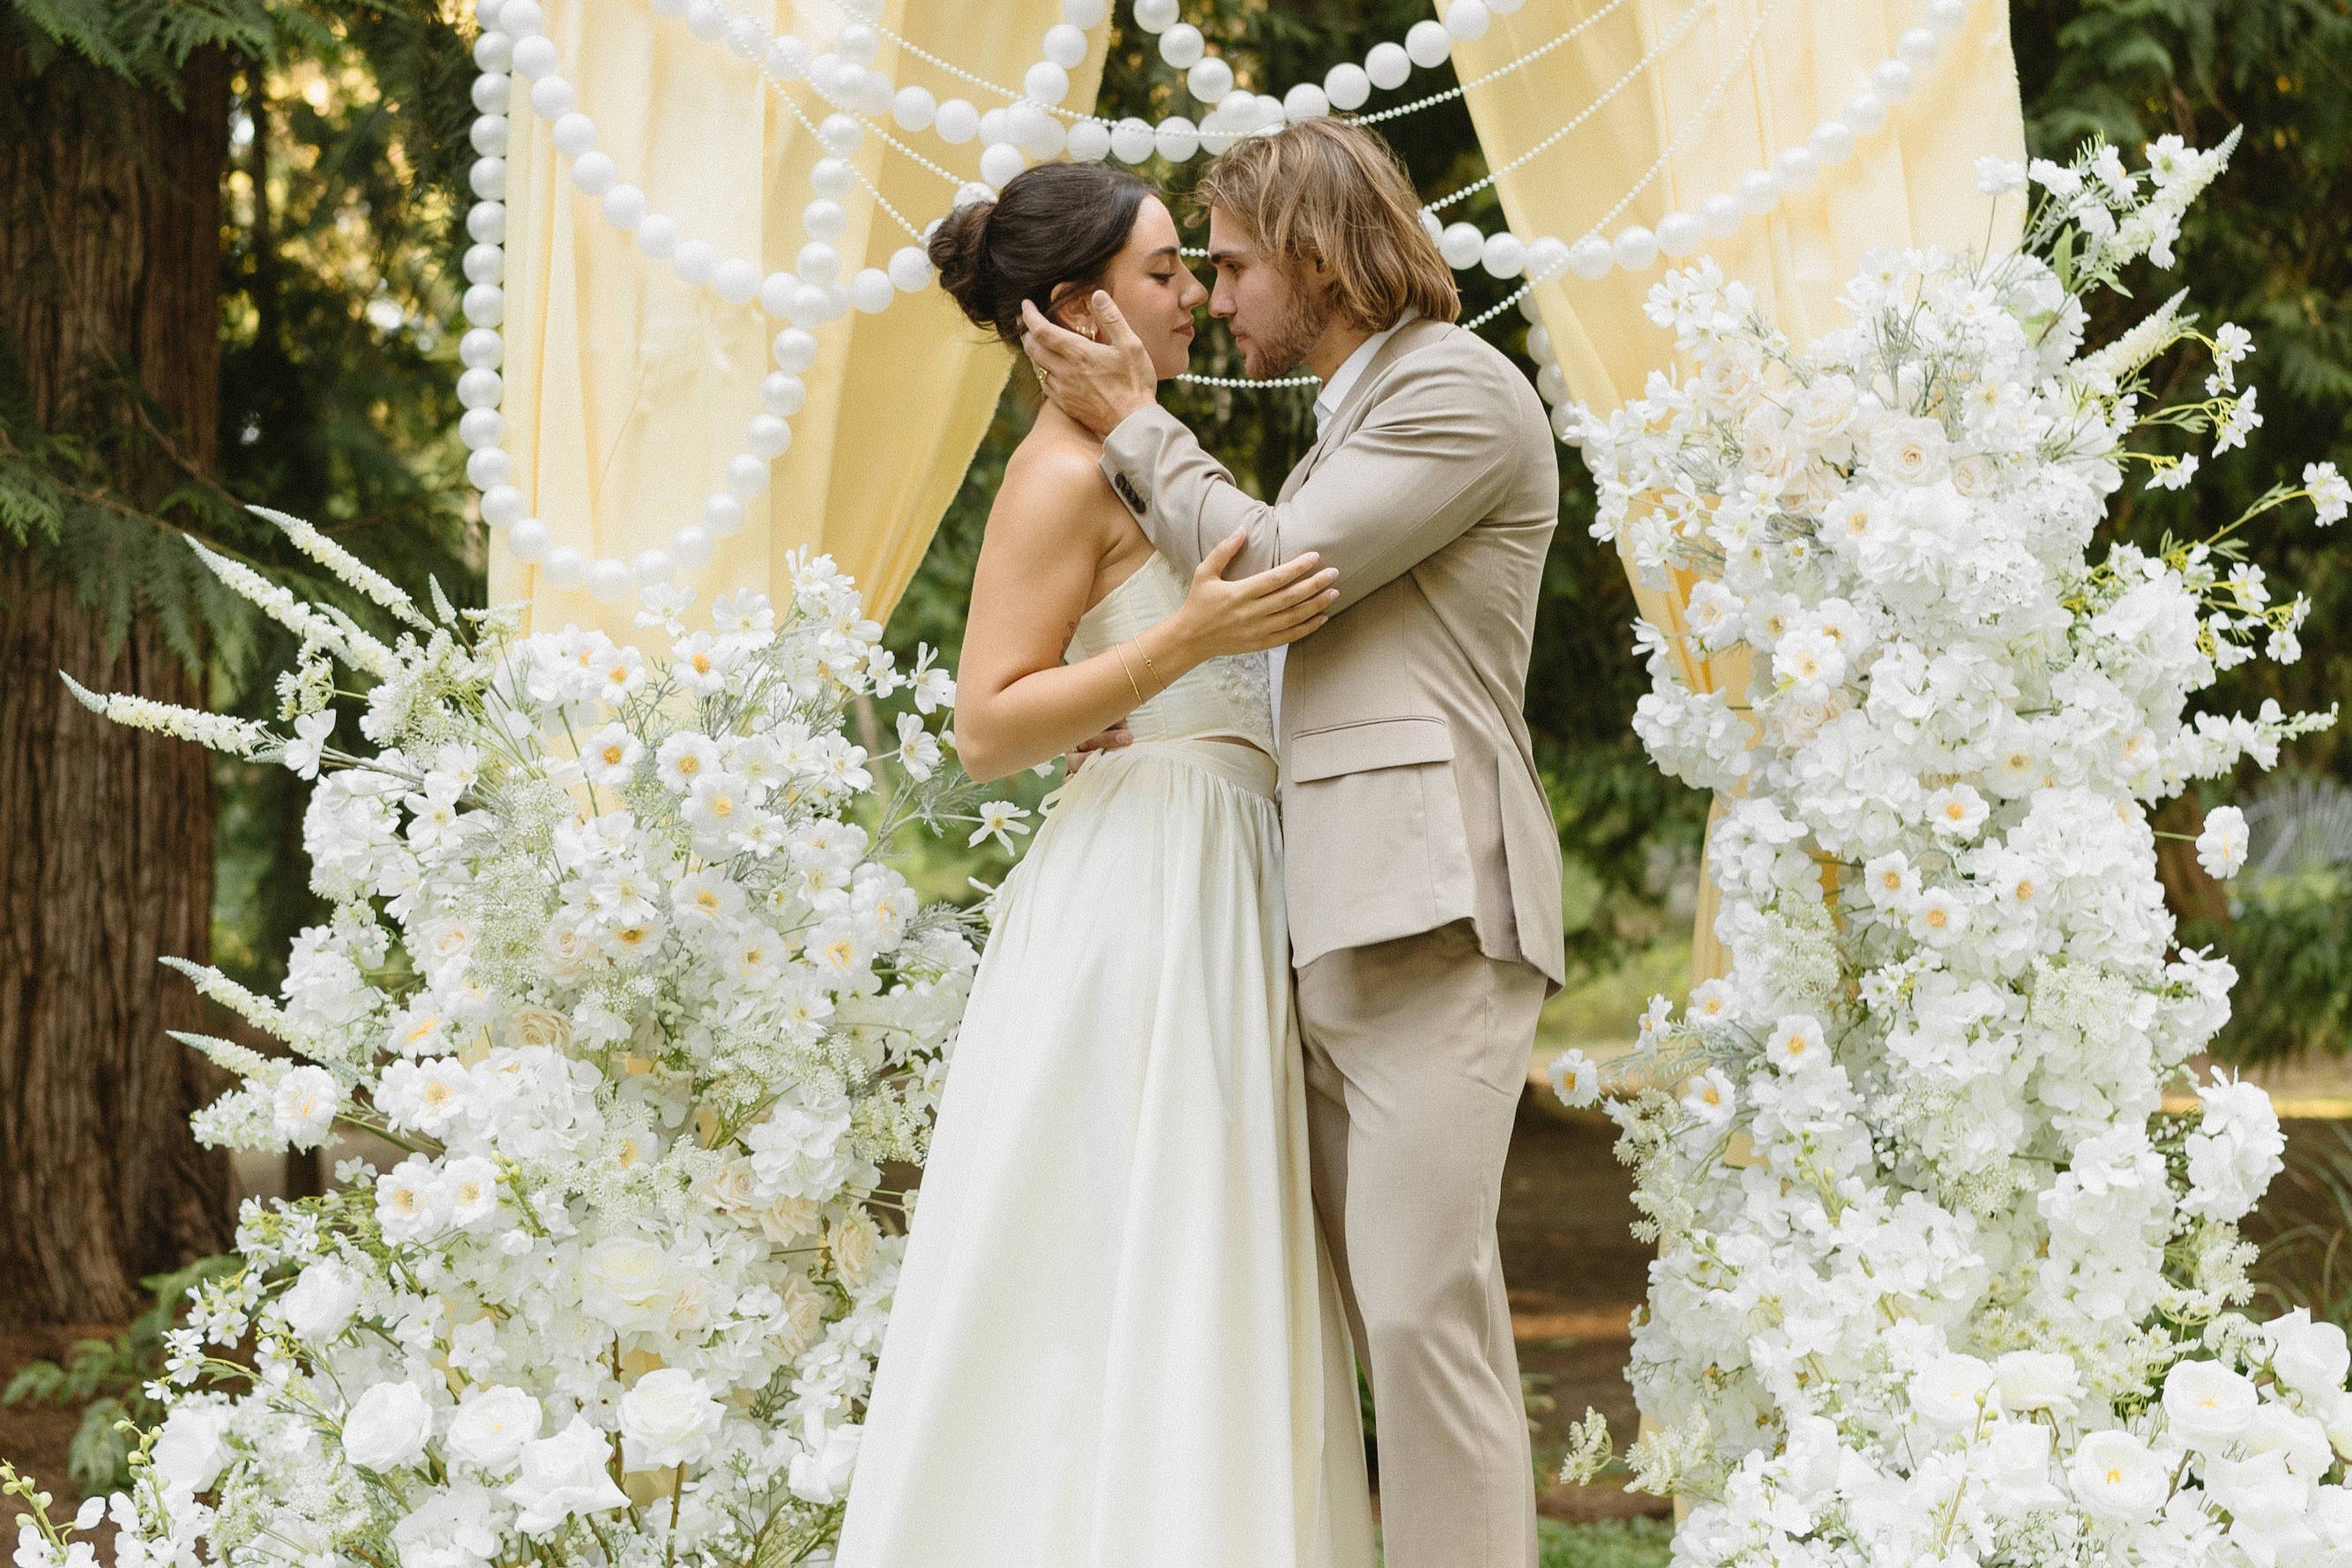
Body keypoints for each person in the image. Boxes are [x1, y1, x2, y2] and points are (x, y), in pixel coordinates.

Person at [1019, 118, 1566, 1568]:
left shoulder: (1455, 388)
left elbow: (1279, 576)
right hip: (1334, 913)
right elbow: (1299, 650)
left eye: (1240, 263)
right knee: (1375, 1312)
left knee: (1416, 1314)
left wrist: (1139, 423)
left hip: (1435, 905)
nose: (1217, 296)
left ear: (1319, 258)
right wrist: (1143, 685)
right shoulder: (1362, 407)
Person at [833, 161, 1378, 1568]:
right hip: (1149, 885)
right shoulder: (1058, 475)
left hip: (1229, 867)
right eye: (1161, 273)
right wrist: (1177, 648)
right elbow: (988, 721)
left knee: (1216, 1237)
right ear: (1080, 309)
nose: (1195, 293)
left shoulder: (1141, 455)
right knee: (1124, 1230)